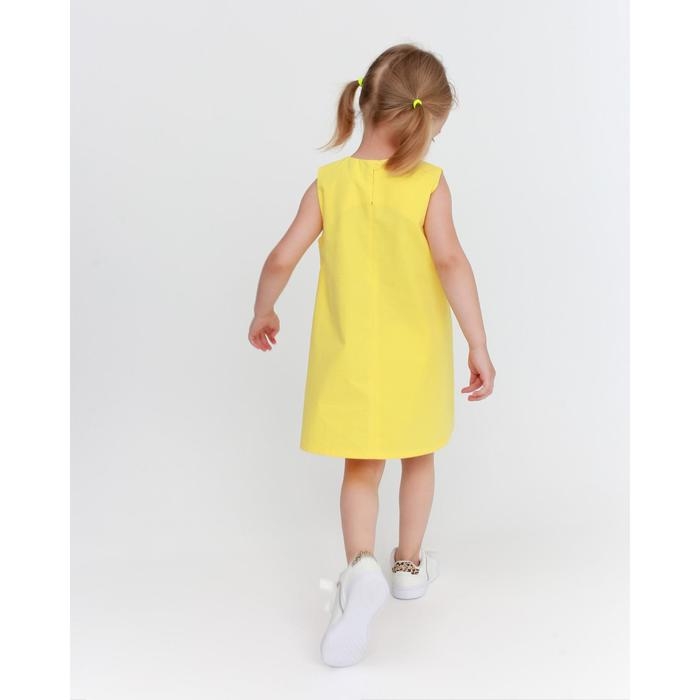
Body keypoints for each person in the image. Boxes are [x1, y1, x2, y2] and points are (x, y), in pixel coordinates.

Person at [249, 43, 496, 667]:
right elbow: (451, 262)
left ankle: (361, 567)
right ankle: (408, 567)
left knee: (362, 469)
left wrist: (264, 309)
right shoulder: (429, 184)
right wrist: (477, 342)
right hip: (416, 359)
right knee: (418, 455)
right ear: (426, 121)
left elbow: (281, 256)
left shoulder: (329, 184)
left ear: (362, 104)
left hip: (350, 360)